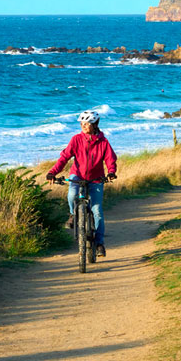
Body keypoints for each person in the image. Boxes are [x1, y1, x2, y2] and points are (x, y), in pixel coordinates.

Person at [46, 110, 117, 257]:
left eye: (86, 123)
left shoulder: (103, 142)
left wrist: (111, 172)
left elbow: (110, 159)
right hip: (77, 175)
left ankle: (99, 244)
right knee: (72, 194)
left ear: (94, 125)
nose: (83, 126)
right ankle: (73, 214)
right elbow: (64, 158)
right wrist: (53, 172)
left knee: (97, 210)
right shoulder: (76, 139)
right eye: (81, 123)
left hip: (96, 178)